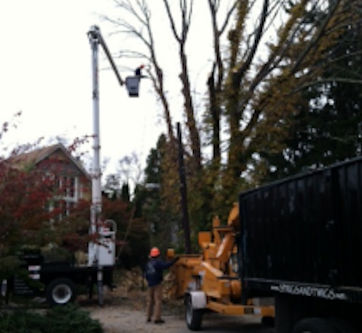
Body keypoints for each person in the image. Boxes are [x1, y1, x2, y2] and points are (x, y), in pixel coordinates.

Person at [144, 247, 179, 324]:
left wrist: (148, 280)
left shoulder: (148, 263)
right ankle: (157, 318)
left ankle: (148, 317)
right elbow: (166, 265)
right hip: (157, 284)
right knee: (158, 301)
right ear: (158, 255)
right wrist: (174, 260)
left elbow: (145, 274)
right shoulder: (158, 262)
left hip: (150, 284)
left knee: (149, 301)